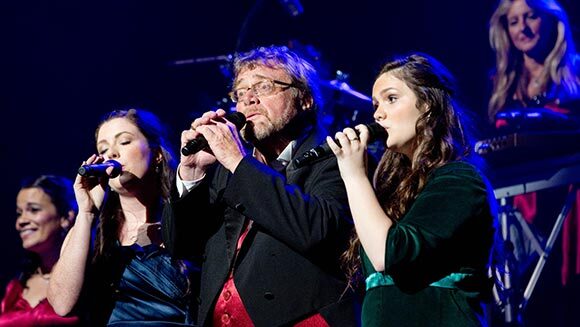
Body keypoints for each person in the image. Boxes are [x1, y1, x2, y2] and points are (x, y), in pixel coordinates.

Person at [163, 45, 357, 326]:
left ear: (304, 99)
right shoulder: (225, 167)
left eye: (264, 87)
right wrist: (191, 173)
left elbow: (319, 231)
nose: (248, 101)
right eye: (240, 93)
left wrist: (238, 161)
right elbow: (180, 245)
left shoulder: (337, 155)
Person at [327, 53, 496, 326]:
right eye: (375, 104)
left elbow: (390, 254)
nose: (378, 113)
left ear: (428, 104)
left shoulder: (461, 180)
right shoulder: (389, 192)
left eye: (391, 99)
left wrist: (355, 176)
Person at [47, 109, 196, 326]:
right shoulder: (91, 231)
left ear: (157, 154)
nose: (111, 154)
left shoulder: (187, 217)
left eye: (124, 142)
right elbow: (62, 304)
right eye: (103, 149)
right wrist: (87, 213)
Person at [1, 175, 79, 326]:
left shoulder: (88, 278)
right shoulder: (16, 287)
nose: (20, 221)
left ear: (66, 217)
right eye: (19, 213)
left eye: (33, 210)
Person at [488, 0, 580, 127]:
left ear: (551, 20)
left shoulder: (576, 70)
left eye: (532, 17)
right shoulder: (498, 83)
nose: (523, 28)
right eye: (514, 22)